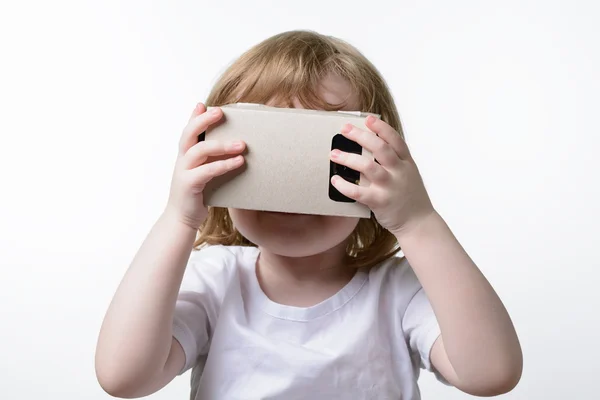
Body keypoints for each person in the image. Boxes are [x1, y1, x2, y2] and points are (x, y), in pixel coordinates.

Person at [95, 30, 523, 400]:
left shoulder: (397, 292)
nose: (291, 190)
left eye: (327, 150)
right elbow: (124, 377)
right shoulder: (216, 282)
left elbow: (490, 374)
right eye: (265, 151)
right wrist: (178, 219)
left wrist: (417, 221)